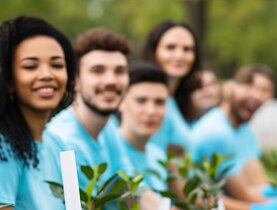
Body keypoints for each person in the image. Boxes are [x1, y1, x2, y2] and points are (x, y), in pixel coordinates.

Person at [0, 16, 76, 210]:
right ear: (8, 81)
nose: (47, 75)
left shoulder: (61, 146)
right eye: (30, 66)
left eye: (57, 65)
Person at [190, 65, 277, 209]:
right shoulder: (216, 132)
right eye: (249, 86)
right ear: (230, 87)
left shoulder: (244, 129)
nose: (257, 95)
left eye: (265, 91)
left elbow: (257, 180)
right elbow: (244, 194)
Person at [45, 27, 130, 188]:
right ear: (75, 80)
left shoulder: (109, 126)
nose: (111, 80)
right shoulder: (63, 142)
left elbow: (132, 188)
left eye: (120, 71)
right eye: (98, 70)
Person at [113, 61, 177, 206]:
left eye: (159, 102)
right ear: (121, 102)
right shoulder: (109, 150)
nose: (151, 111)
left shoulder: (157, 155)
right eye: (141, 101)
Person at [141, 21, 202, 156]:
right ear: (154, 51)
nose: (179, 56)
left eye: (187, 49)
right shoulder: (147, 104)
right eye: (170, 47)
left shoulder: (177, 100)